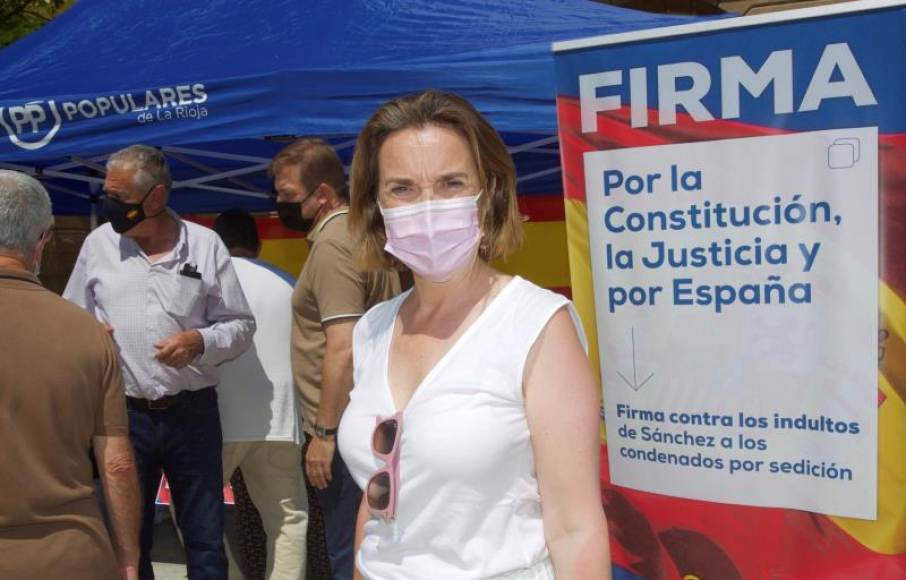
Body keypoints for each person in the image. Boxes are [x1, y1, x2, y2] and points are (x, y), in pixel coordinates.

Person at [338, 90, 611, 580]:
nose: (427, 205)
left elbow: (576, 527)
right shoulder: (373, 329)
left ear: (489, 195)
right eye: (402, 188)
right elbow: (377, 498)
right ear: (375, 206)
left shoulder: (537, 327)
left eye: (450, 183)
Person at [64, 145, 256, 580]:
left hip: (193, 415)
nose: (109, 205)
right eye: (106, 194)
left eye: (118, 197)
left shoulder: (205, 246)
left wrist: (200, 340)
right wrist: (90, 335)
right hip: (122, 416)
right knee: (129, 540)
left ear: (156, 197)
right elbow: (72, 315)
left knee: (205, 536)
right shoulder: (99, 245)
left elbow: (241, 325)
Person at [0, 170, 141, 580]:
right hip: (70, 554)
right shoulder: (90, 334)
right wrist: (129, 560)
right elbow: (116, 464)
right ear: (42, 241)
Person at [270, 138, 401, 580]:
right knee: (372, 542)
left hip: (344, 426)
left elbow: (341, 344)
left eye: (288, 196)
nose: (278, 204)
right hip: (368, 414)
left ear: (322, 194)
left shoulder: (332, 245)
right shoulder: (365, 233)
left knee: (349, 548)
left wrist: (323, 434)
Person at [212, 208, 308, 580]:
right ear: (258, 242)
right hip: (280, 418)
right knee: (286, 519)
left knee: (194, 513)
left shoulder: (207, 281)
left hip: (219, 418)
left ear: (215, 244)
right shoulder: (287, 281)